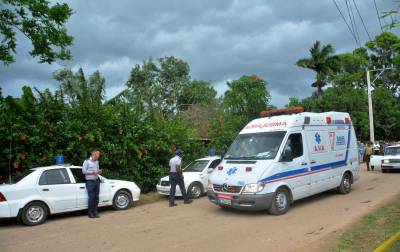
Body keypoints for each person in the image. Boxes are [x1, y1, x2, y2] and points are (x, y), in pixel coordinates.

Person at [82, 150, 102, 218]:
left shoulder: (97, 162)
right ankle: (90, 213)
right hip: (90, 182)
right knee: (91, 198)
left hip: (96, 181)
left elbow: (97, 170)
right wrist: (92, 172)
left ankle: (95, 212)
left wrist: (99, 171)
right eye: (98, 155)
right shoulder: (86, 161)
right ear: (94, 155)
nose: (99, 156)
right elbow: (84, 171)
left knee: (96, 198)